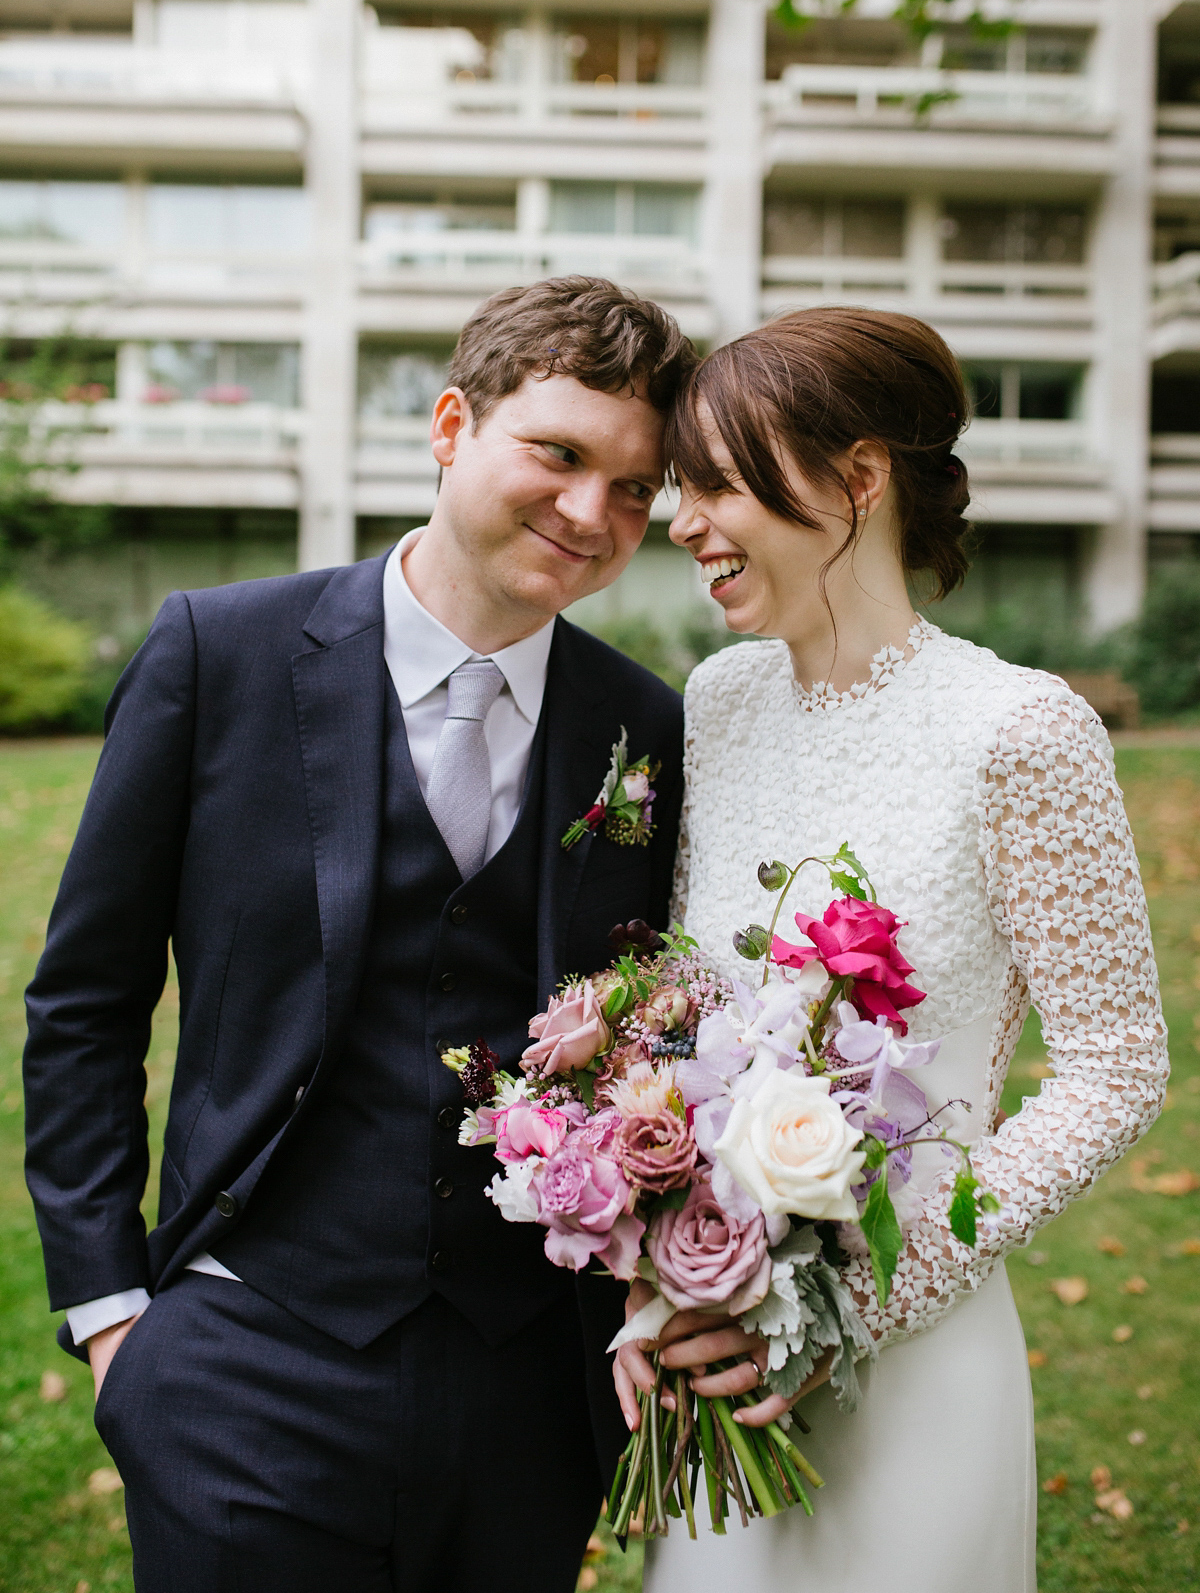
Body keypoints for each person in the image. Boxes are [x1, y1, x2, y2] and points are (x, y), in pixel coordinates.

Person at [24, 276, 694, 1593]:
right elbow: (86, 1002)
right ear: (452, 424)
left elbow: (646, 1024)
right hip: (243, 1350)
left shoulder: (642, 726)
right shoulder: (217, 653)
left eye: (633, 489)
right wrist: (114, 1318)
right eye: (558, 454)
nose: (592, 514)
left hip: (523, 1390)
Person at [614, 307, 1168, 1593]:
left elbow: (1114, 1068)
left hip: (917, 1350)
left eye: (718, 485)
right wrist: (672, 1268)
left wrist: (862, 1294)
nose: (684, 522)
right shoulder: (722, 699)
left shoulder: (1021, 732)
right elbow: (693, 1008)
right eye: (681, 489)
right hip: (721, 1337)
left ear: (858, 480)